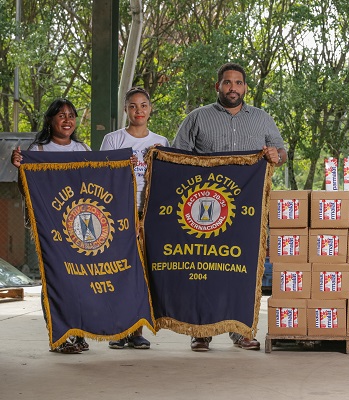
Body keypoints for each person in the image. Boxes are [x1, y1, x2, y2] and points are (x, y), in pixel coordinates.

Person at [173, 62, 287, 352]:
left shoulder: (262, 119)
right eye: (227, 82)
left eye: (238, 83)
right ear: (218, 86)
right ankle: (201, 331)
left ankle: (242, 331)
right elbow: (177, 159)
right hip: (204, 210)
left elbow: (281, 152)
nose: (232, 87)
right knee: (203, 270)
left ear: (245, 87)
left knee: (243, 270)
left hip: (247, 211)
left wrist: (277, 154)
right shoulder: (196, 118)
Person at [11, 98, 91, 354]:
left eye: (71, 115)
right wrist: (19, 168)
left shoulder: (83, 149)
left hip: (78, 226)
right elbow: (26, 189)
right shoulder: (39, 150)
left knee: (79, 279)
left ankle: (76, 333)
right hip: (48, 227)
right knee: (55, 279)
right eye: (61, 115)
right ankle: (58, 337)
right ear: (50, 120)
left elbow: (96, 184)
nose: (67, 120)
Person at [100, 87, 169, 350]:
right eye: (132, 106)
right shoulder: (113, 139)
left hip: (150, 213)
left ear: (150, 109)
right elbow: (102, 177)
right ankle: (119, 330)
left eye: (143, 105)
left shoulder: (160, 142)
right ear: (125, 109)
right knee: (120, 271)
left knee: (143, 274)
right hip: (119, 212)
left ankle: (137, 330)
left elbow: (167, 181)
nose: (138, 111)